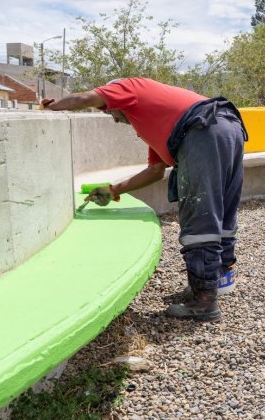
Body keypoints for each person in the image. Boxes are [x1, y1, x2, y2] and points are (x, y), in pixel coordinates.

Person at [42, 77, 247, 323]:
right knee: (222, 210)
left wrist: (52, 107)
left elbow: (85, 98)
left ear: (115, 99)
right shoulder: (156, 121)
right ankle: (215, 281)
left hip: (202, 130)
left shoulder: (130, 86)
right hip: (228, 125)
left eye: (109, 111)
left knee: (199, 214)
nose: (113, 118)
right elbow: (155, 171)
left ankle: (204, 301)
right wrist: (113, 190)